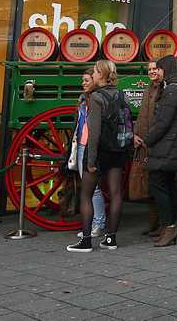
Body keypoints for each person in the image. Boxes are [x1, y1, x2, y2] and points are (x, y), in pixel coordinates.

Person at [67, 60, 127, 252]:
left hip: (100, 151)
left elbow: (94, 132)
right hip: (118, 150)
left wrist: (90, 161)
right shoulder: (120, 94)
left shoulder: (96, 97)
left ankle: (86, 241)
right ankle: (111, 239)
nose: (92, 75)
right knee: (117, 194)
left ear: (100, 74)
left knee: (86, 194)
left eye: (94, 71)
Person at [143, 55, 177, 247]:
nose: (158, 72)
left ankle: (170, 225)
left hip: (168, 145)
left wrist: (148, 140)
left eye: (160, 69)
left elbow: (163, 122)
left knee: (158, 184)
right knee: (168, 186)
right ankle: (169, 226)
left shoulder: (172, 90)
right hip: (172, 144)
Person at [67, 67, 106, 238]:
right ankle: (92, 224)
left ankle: (99, 224)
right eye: (82, 80)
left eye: (87, 80)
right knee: (88, 188)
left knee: (93, 188)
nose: (83, 84)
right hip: (81, 145)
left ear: (95, 80)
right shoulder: (83, 99)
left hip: (91, 146)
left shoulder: (97, 100)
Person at [133, 61, 161, 236]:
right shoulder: (148, 89)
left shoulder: (164, 90)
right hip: (144, 141)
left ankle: (162, 224)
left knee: (158, 185)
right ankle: (153, 224)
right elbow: (142, 115)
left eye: (155, 69)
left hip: (156, 142)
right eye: (149, 69)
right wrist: (136, 134)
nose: (152, 72)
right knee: (148, 185)